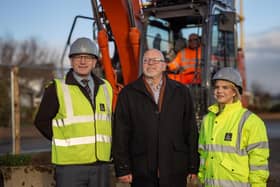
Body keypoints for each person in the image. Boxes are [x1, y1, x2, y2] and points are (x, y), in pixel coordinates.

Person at [112, 48, 199, 187]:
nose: (150, 64)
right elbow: (120, 133)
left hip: (175, 167)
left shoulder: (181, 92)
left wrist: (193, 165)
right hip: (141, 168)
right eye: (146, 60)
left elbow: (190, 130)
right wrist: (122, 168)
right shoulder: (128, 93)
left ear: (164, 66)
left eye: (155, 60)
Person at [34, 37, 113, 187]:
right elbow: (41, 121)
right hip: (70, 167)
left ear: (95, 62)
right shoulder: (56, 88)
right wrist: (63, 137)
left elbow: (110, 121)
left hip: (101, 165)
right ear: (71, 61)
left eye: (88, 57)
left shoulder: (106, 87)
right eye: (78, 57)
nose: (83, 62)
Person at [198, 67, 270, 186]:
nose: (219, 91)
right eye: (217, 87)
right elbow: (203, 152)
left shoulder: (251, 121)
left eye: (225, 87)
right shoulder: (207, 119)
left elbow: (259, 161)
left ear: (234, 92)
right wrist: (202, 177)